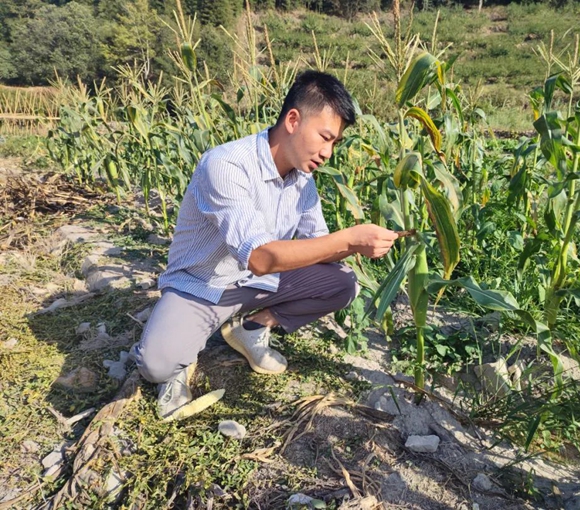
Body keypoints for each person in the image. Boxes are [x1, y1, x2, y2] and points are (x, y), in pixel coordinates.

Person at [135, 70, 399, 419]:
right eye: (325, 138)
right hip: (202, 287)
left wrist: (358, 246)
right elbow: (259, 257)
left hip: (256, 285)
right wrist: (350, 237)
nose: (328, 153)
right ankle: (181, 355)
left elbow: (318, 245)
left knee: (342, 283)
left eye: (335, 143)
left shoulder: (303, 180)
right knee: (156, 365)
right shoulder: (227, 164)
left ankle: (252, 329)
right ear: (293, 120)